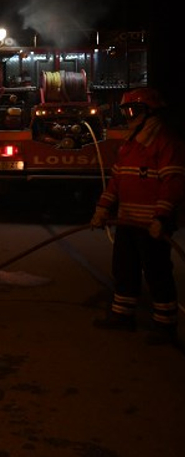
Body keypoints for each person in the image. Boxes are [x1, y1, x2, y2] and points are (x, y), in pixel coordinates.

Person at [90, 87, 185, 345]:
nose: (129, 117)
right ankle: (123, 315)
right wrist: (102, 209)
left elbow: (172, 183)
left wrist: (162, 218)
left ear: (149, 112)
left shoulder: (165, 142)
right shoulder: (131, 143)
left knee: (157, 273)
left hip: (151, 224)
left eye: (133, 111)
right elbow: (117, 181)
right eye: (126, 111)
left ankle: (165, 325)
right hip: (127, 220)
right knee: (124, 269)